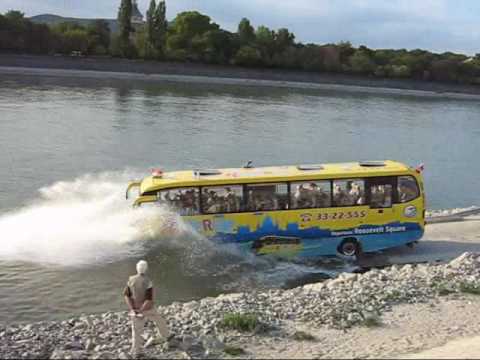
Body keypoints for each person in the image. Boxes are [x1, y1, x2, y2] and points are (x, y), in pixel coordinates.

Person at [124, 260, 172, 357]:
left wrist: (133, 309)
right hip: (147, 309)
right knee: (159, 320)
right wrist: (141, 310)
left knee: (136, 331)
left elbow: (126, 296)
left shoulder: (130, 280)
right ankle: (166, 336)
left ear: (137, 269)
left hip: (135, 309)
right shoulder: (148, 281)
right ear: (146, 269)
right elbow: (149, 300)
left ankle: (136, 352)